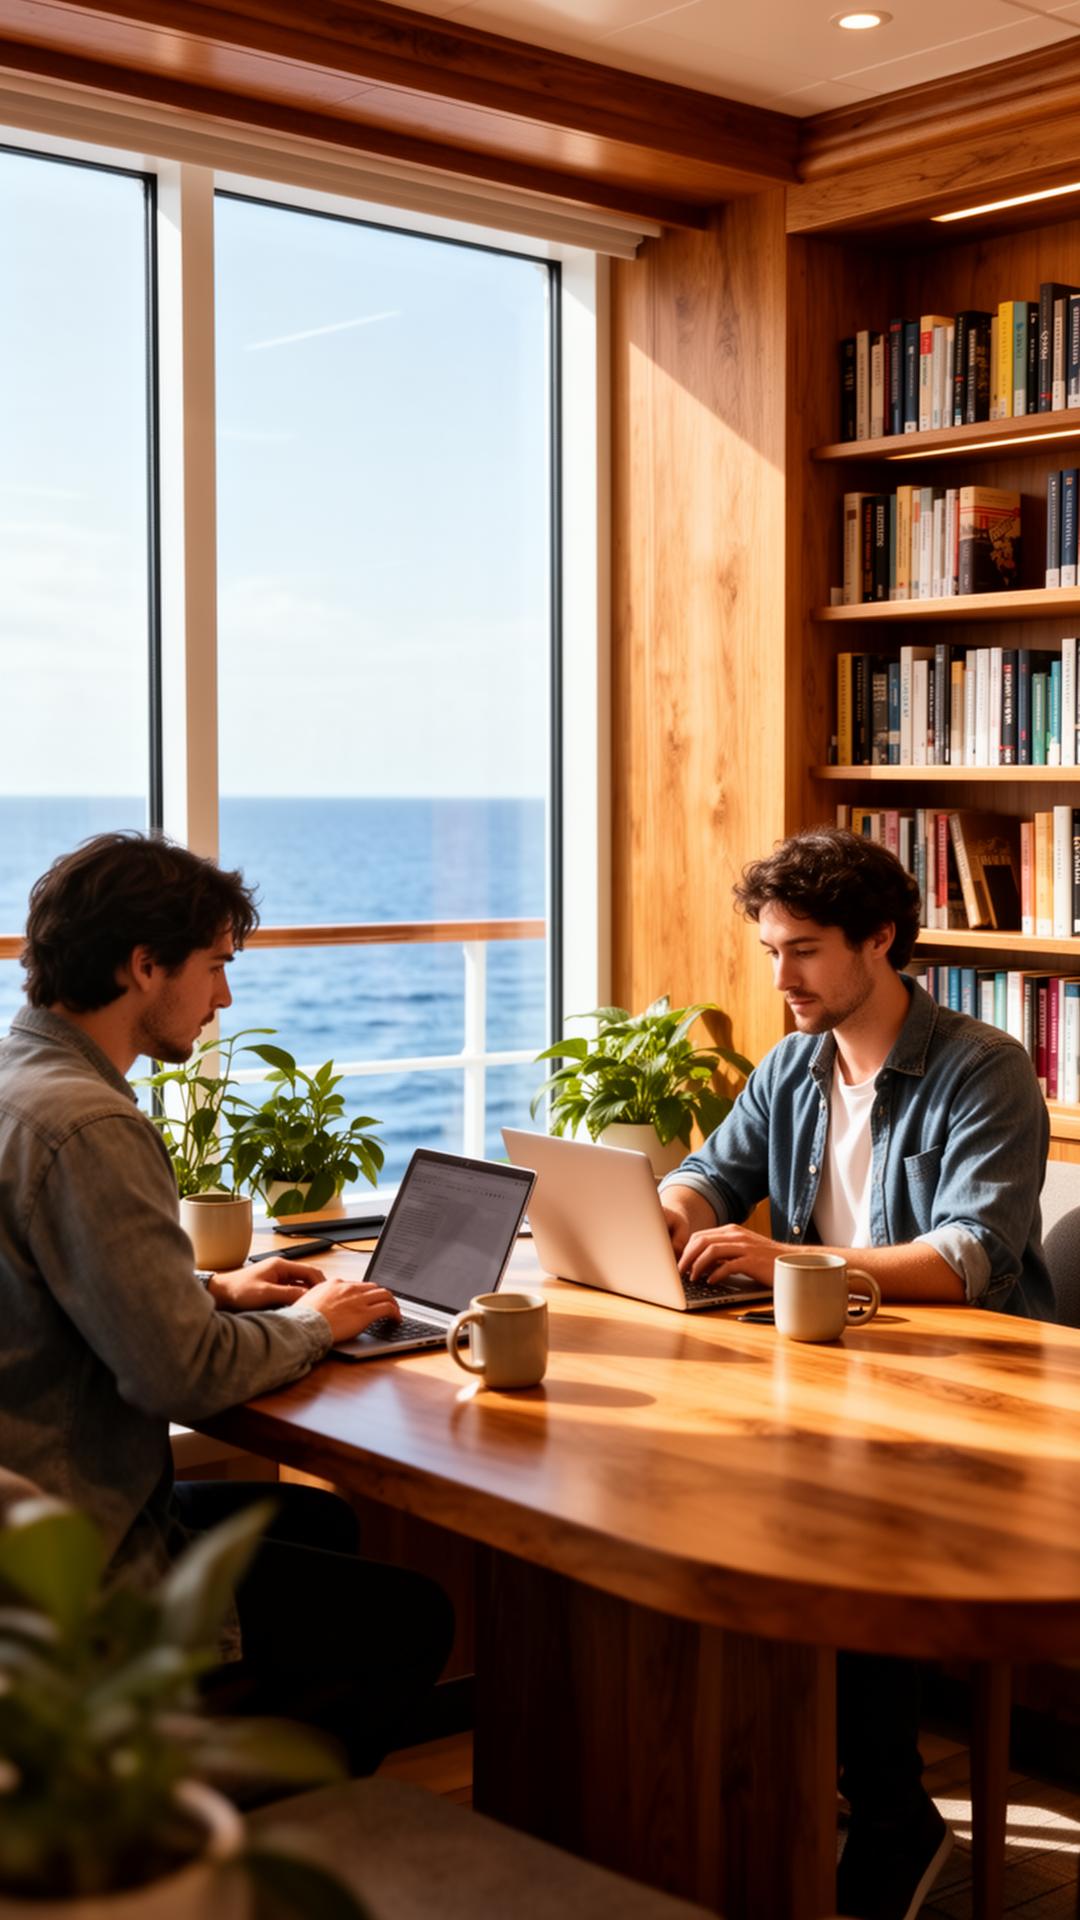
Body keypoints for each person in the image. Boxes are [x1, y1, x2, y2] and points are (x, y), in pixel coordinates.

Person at [658, 826, 1052, 1920]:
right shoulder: (792, 1065)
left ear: (880, 941)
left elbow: (972, 1257)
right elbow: (707, 1168)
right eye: (771, 950)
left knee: (828, 1537)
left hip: (969, 1401)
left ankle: (891, 1818)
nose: (778, 978)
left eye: (804, 951)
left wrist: (786, 1257)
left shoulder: (984, 1067)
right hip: (823, 1380)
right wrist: (668, 1210)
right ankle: (746, 1797)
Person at [0, 830, 453, 1776]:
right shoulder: (90, 1124)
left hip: (35, 1515)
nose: (224, 999)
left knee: (321, 1525)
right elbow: (183, 1374)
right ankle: (210, 1839)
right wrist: (311, 1323)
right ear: (143, 965)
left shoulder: (21, 1087)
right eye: (215, 968)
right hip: (81, 1564)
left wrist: (210, 1288)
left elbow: (44, 1286)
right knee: (412, 1620)